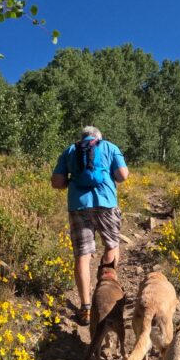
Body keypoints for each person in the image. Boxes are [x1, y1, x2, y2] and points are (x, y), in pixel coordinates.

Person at [51, 126, 130, 325]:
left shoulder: (70, 150)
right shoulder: (110, 147)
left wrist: (72, 180)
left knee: (82, 255)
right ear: (98, 137)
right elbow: (122, 175)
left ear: (83, 138)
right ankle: (107, 294)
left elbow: (57, 182)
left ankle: (86, 308)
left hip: (78, 205)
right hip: (106, 203)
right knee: (111, 245)